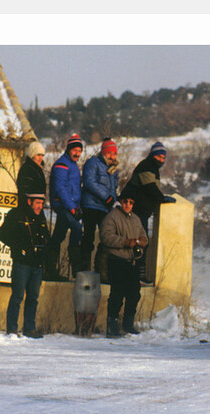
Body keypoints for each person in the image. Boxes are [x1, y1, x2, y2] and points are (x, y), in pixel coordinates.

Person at [118, 141, 176, 285]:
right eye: (159, 157)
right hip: (137, 210)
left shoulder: (151, 167)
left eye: (163, 158)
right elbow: (150, 187)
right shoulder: (147, 166)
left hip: (141, 210)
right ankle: (136, 275)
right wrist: (162, 199)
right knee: (140, 242)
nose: (161, 160)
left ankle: (136, 274)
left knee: (141, 242)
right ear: (153, 155)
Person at [0, 192, 51, 338]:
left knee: (33, 298)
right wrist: (19, 248)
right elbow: (3, 235)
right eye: (37, 203)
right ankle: (12, 329)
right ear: (29, 202)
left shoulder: (41, 217)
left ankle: (29, 328)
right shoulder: (16, 215)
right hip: (22, 263)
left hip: (37, 263)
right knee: (18, 296)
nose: (40, 206)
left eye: (42, 203)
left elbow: (45, 236)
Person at [100, 190, 149, 337]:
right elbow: (106, 237)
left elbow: (143, 235)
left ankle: (128, 325)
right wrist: (126, 242)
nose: (128, 205)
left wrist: (141, 242)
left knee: (134, 293)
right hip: (116, 260)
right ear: (121, 202)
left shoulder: (136, 219)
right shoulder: (112, 217)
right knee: (117, 294)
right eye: (126, 202)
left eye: (131, 203)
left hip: (132, 261)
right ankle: (112, 326)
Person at [46, 134, 84, 280]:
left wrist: (76, 206)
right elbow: (61, 188)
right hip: (63, 206)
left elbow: (74, 189)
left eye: (79, 151)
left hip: (70, 206)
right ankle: (76, 268)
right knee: (76, 228)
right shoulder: (62, 164)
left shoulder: (73, 165)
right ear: (68, 150)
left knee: (58, 236)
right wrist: (72, 208)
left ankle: (50, 268)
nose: (77, 153)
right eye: (74, 150)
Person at [79, 138, 120, 274]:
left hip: (105, 208)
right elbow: (89, 182)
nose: (112, 156)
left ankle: (101, 271)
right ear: (103, 152)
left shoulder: (113, 169)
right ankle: (84, 270)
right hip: (91, 206)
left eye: (114, 154)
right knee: (88, 238)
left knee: (107, 239)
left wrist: (113, 200)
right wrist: (106, 197)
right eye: (109, 153)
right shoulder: (92, 163)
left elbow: (114, 188)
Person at [15, 141, 46, 209]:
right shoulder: (27, 169)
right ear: (32, 155)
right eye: (38, 155)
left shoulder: (38, 169)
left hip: (37, 207)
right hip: (29, 208)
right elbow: (24, 192)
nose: (40, 158)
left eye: (42, 155)